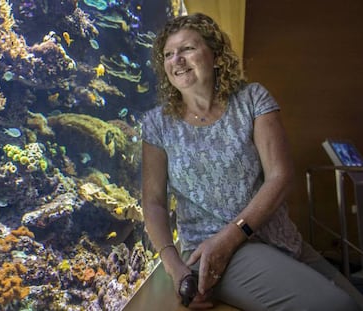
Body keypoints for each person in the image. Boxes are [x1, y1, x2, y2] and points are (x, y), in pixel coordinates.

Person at [141, 12, 363, 310]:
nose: (176, 59)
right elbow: (153, 202)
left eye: (188, 49)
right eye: (168, 54)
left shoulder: (252, 98)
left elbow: (280, 177)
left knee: (356, 302)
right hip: (214, 253)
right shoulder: (157, 124)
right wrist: (175, 267)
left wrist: (234, 235)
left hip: (277, 236)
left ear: (217, 56)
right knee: (338, 307)